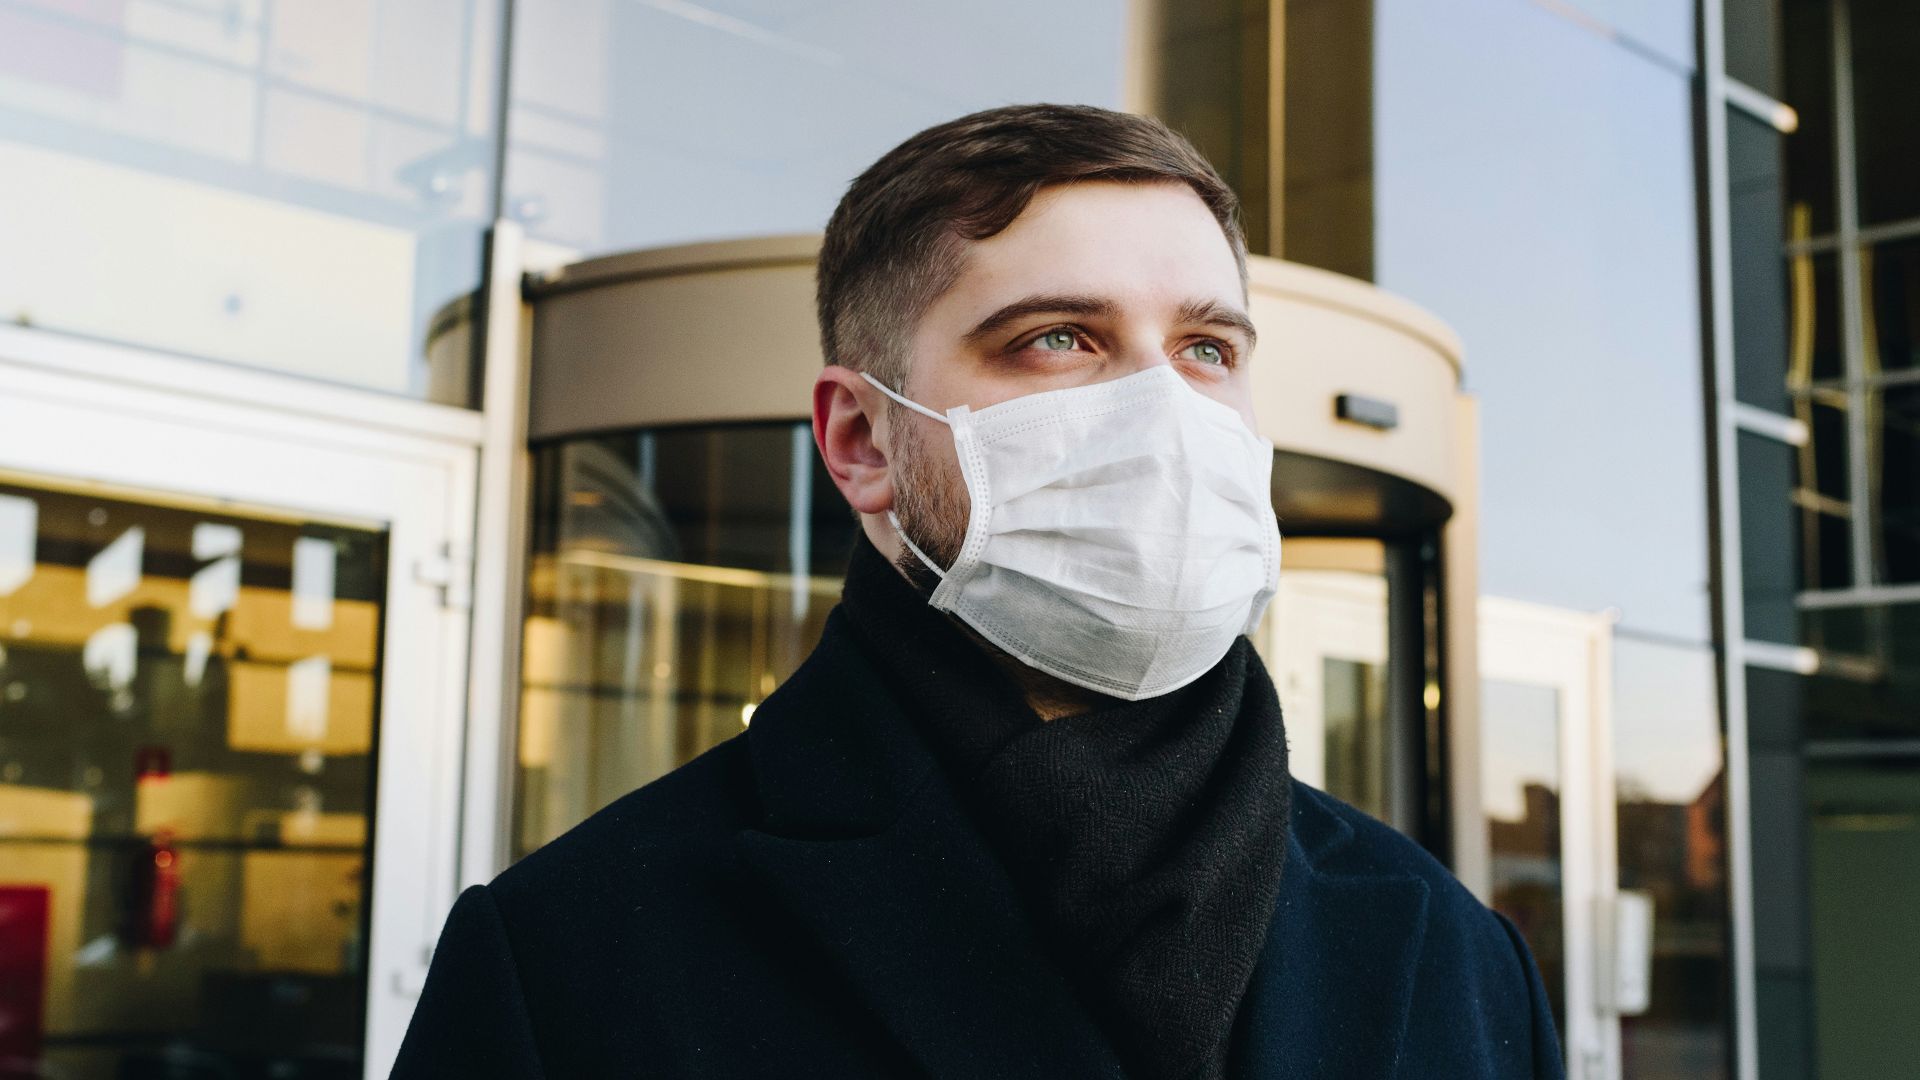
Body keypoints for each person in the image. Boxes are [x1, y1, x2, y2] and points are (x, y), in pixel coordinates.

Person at [389, 103, 1564, 1080]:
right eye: (1059, 338)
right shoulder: (572, 954)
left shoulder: (1455, 952)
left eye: (1208, 347)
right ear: (862, 440)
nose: (1163, 413)